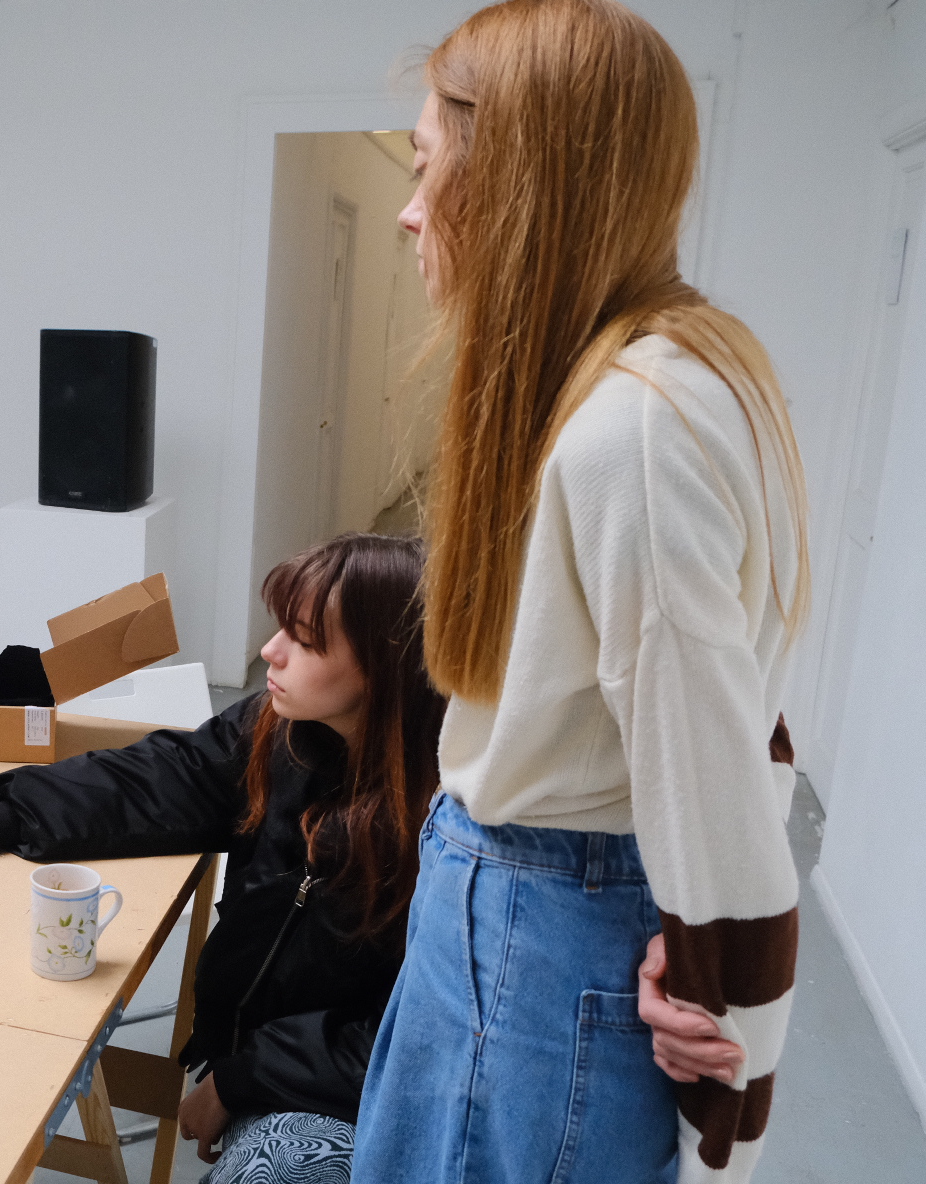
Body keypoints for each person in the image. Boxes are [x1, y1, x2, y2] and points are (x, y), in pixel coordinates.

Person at [349, 3, 810, 1182]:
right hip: (526, 916)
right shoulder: (688, 370)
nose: (409, 208)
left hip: (539, 932)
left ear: (515, 182)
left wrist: (729, 1078)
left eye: (425, 165)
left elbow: (717, 770)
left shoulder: (633, 429)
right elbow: (740, 714)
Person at [0, 534, 446, 1183]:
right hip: (271, 1060)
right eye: (280, 627)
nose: (270, 650)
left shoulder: (447, 829)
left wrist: (240, 1081)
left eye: (305, 640)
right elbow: (164, 777)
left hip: (357, 1098)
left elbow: (425, 1044)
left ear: (385, 664)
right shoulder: (285, 731)